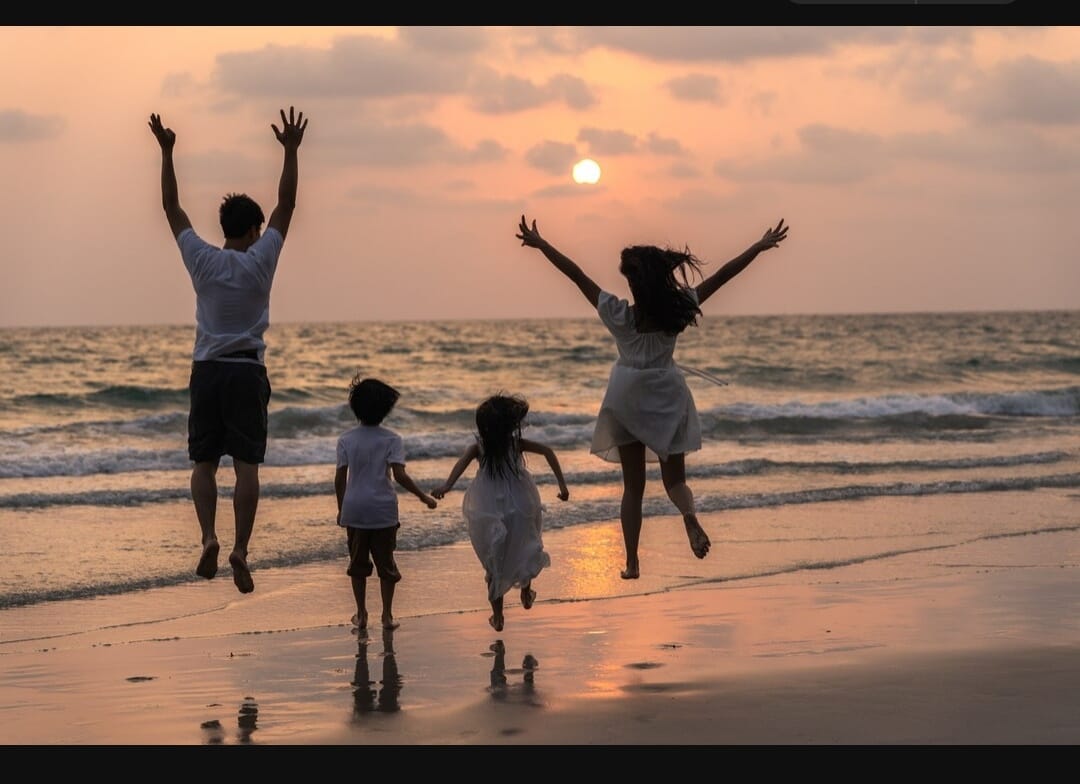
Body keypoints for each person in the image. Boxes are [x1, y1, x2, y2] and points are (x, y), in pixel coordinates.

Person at [516, 214, 789, 579]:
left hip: (627, 397)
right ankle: (689, 518)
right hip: (666, 396)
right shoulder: (677, 308)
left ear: (633, 283)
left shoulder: (619, 315)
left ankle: (631, 562)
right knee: (675, 481)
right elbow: (723, 276)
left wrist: (542, 244)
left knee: (633, 488)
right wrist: (757, 247)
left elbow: (576, 275)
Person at [148, 107, 308, 594]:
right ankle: (240, 548)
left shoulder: (202, 259)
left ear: (223, 227)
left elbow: (172, 209)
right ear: (255, 229)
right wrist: (291, 150)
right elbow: (287, 203)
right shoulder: (262, 259)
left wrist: (167, 151)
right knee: (246, 469)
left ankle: (208, 537)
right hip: (246, 371)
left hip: (207, 371)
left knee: (203, 464)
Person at [432, 393, 569, 632]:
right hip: (521, 502)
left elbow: (459, 466)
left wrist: (446, 486)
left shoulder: (480, 447)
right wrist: (563, 486)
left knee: (494, 561)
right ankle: (526, 592)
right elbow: (548, 451)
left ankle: (498, 617)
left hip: (490, 507)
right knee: (527, 545)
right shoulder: (515, 444)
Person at [336, 376, 437, 632]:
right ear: (385, 409)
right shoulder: (392, 439)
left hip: (355, 509)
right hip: (383, 510)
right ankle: (387, 615)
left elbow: (340, 478)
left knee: (357, 566)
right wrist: (423, 496)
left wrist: (341, 509)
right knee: (386, 565)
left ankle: (360, 614)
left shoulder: (346, 439)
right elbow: (400, 476)